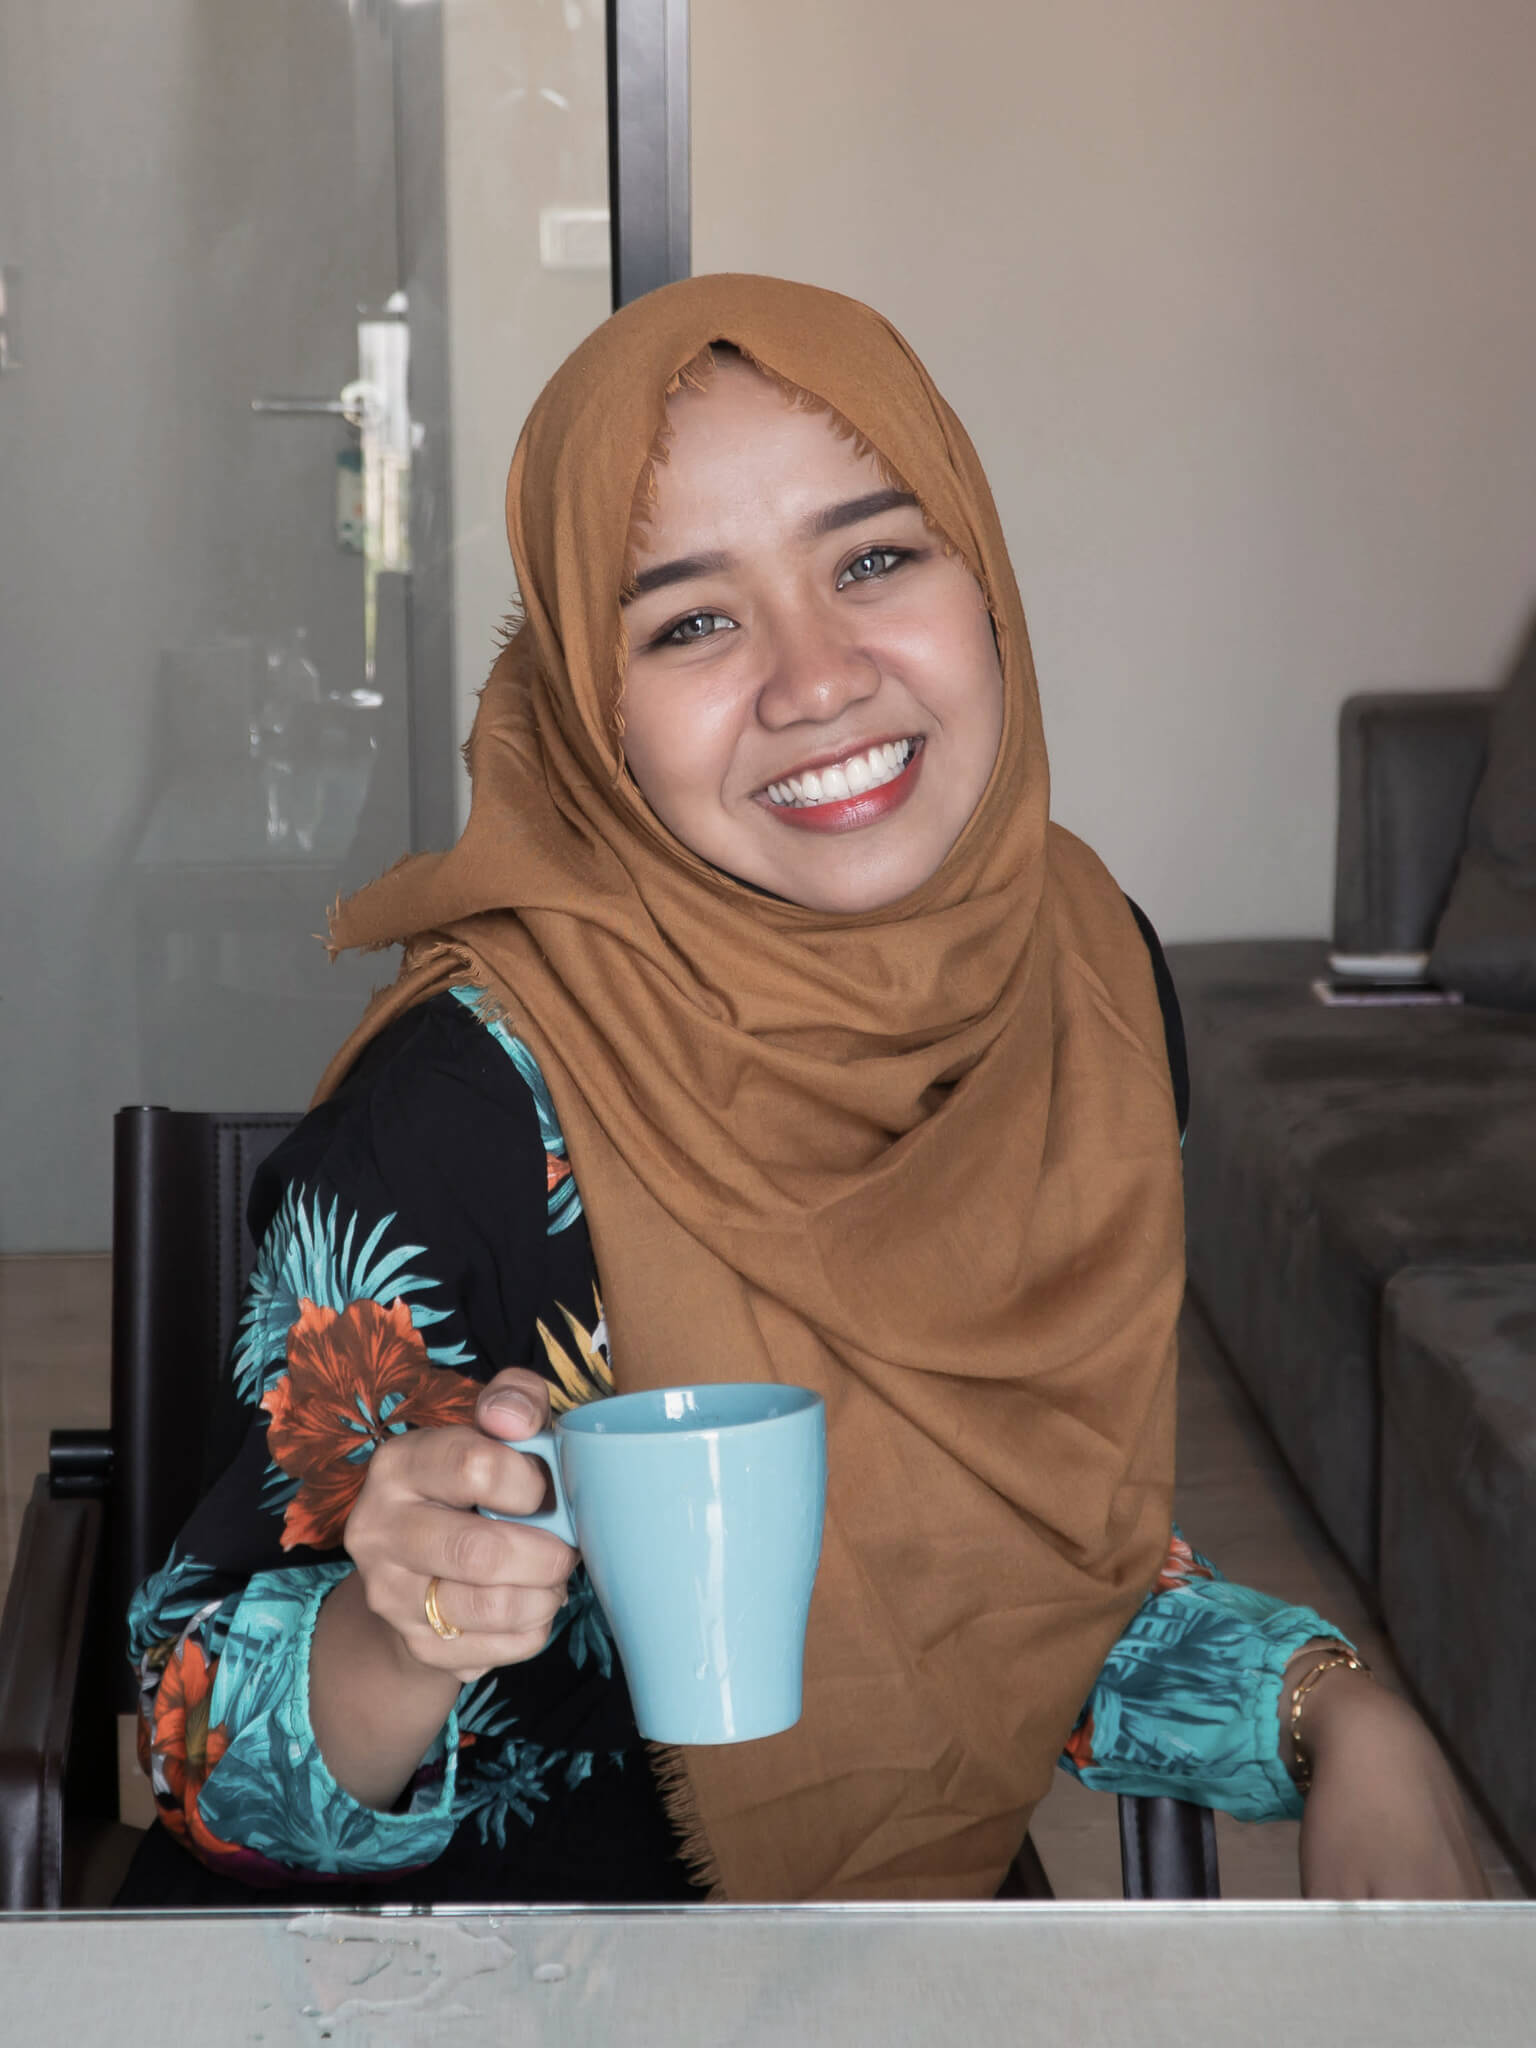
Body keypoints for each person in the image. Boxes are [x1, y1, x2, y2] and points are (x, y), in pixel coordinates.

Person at [122, 275, 1485, 1906]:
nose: (818, 676)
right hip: (487, 1977)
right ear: (595, 714)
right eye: (693, 619)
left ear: (983, 581)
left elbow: (1016, 1572)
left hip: (903, 1952)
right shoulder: (461, 1117)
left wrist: (1345, 1720)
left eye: (875, 557)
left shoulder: (1080, 988)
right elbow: (190, 1752)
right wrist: (390, 1637)